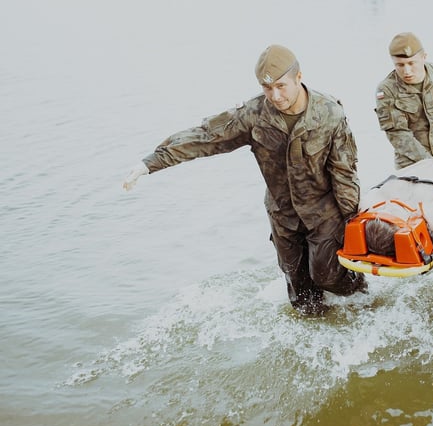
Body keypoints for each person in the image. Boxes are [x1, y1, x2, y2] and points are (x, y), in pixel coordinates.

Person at [122, 44, 367, 315]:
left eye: (282, 86)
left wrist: (352, 220)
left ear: (299, 77)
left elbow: (344, 171)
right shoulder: (254, 115)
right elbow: (206, 137)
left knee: (328, 276)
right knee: (302, 298)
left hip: (324, 213)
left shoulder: (329, 113)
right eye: (267, 88)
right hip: (283, 215)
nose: (275, 96)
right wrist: (150, 163)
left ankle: (365, 300)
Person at [375, 32, 433, 169]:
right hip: (412, 163)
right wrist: (430, 164)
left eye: (412, 63)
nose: (407, 71)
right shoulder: (387, 90)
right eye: (400, 65)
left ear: (424, 57)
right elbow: (398, 134)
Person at [346, 157, 433, 263]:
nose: (390, 205)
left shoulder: (369, 205)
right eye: (393, 214)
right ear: (405, 229)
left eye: (383, 211)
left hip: (428, 164)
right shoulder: (432, 220)